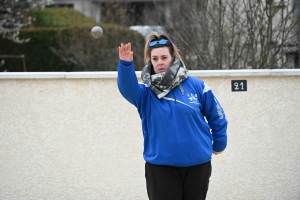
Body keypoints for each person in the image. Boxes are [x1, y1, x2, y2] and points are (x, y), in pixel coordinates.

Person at [117, 32, 228, 200]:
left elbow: (217, 116)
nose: (160, 62)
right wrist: (125, 65)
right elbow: (127, 88)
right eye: (155, 59)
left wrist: (219, 144)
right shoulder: (145, 93)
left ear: (173, 58)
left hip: (198, 165)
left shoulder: (197, 86)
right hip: (161, 168)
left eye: (164, 57)